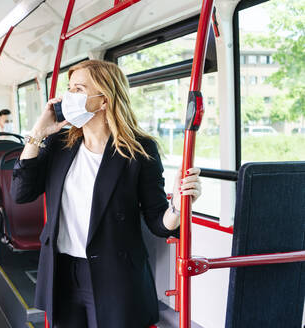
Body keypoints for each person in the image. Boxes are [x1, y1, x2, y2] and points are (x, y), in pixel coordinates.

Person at [11, 60, 202, 328]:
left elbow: (158, 222)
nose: (68, 97)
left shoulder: (138, 150)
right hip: (62, 270)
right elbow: (20, 193)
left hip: (115, 275)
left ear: (104, 100)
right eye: (69, 89)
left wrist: (179, 208)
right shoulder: (59, 145)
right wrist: (37, 134)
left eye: (78, 89)